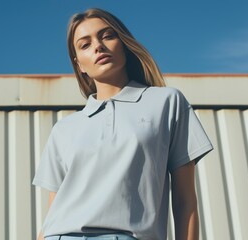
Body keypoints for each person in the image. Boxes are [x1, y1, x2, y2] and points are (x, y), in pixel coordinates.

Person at [33, 8, 213, 240]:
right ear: (79, 65)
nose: (98, 46)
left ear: (124, 43)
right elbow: (52, 212)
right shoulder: (63, 129)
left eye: (107, 35)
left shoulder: (167, 102)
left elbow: (185, 200)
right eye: (85, 44)